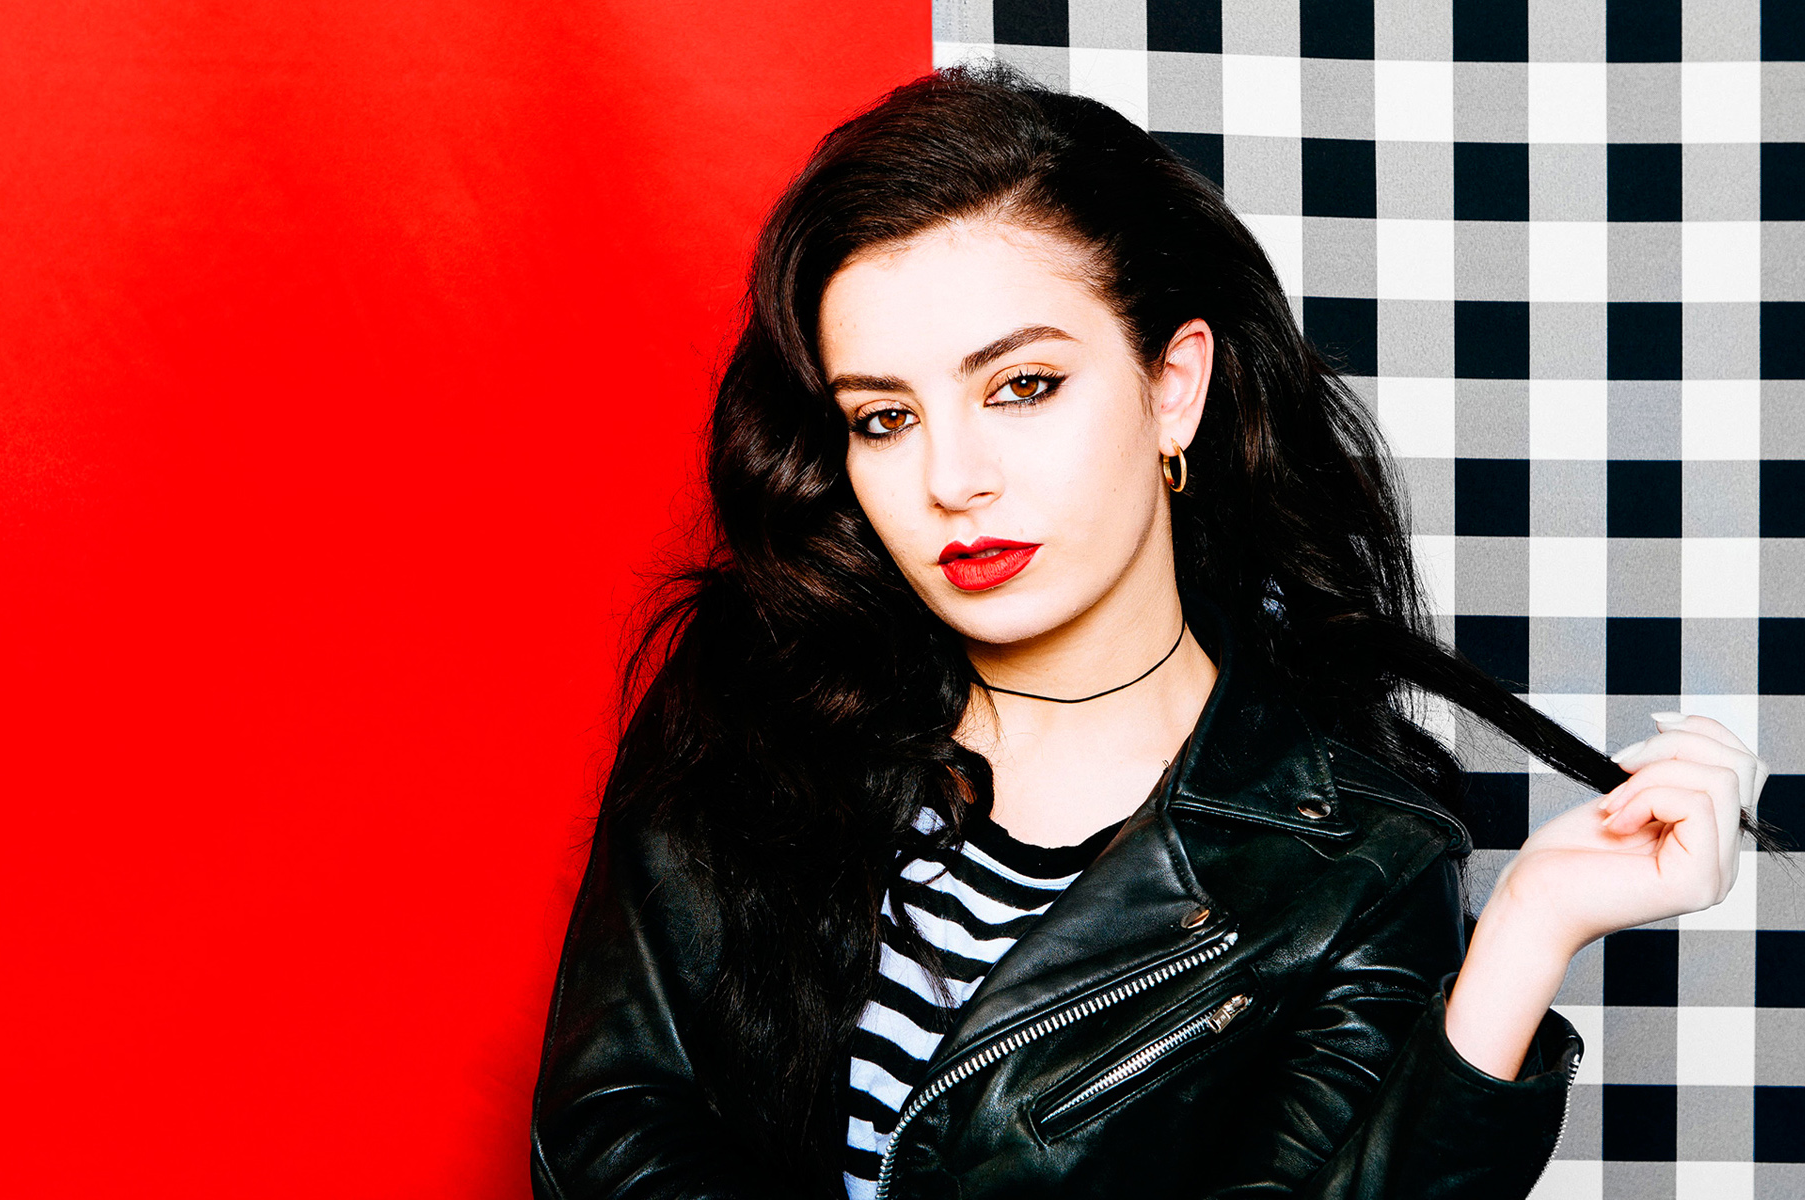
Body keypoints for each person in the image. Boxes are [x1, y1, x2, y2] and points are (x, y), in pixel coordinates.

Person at [530, 65, 1777, 1199]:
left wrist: (1527, 934)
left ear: (1173, 386)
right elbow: (610, 1130)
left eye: (1023, 386)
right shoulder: (756, 695)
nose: (952, 479)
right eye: (884, 419)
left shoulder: (1350, 864)